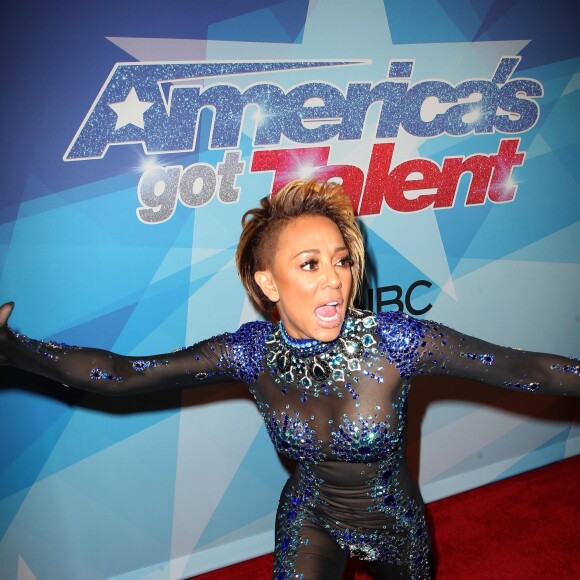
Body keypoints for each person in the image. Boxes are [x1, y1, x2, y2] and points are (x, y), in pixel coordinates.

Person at [0, 179, 578, 580]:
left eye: (341, 260)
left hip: (395, 527)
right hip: (311, 516)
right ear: (269, 283)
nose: (335, 280)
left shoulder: (398, 343)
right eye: (310, 264)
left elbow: (523, 368)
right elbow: (123, 376)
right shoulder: (250, 354)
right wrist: (9, 347)